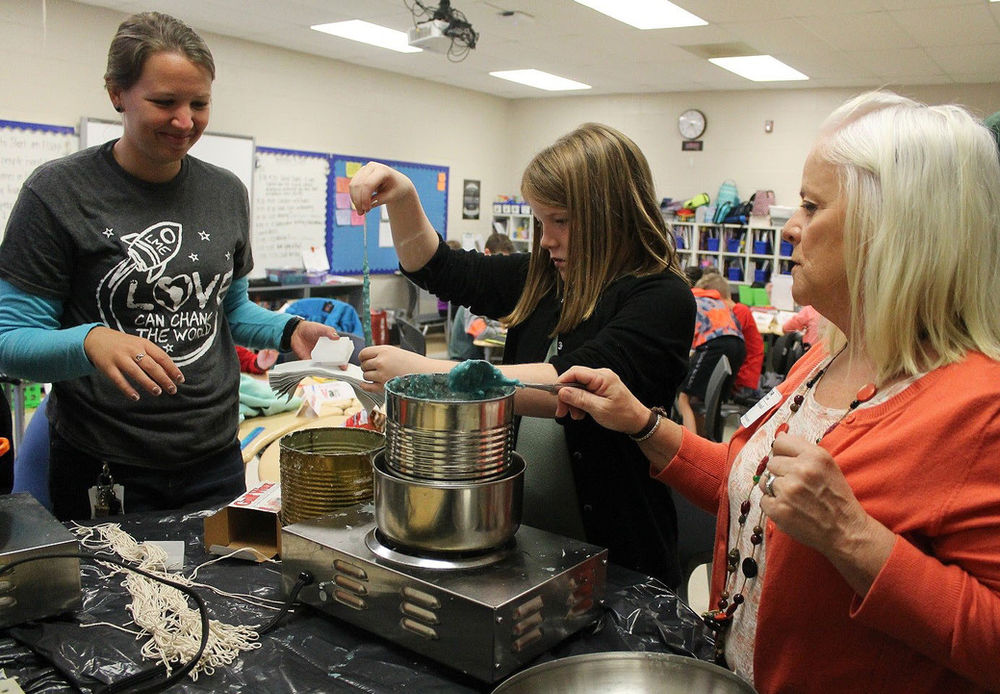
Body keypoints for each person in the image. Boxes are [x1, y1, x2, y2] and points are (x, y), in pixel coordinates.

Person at [552, 91, 1000, 693]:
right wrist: (640, 424)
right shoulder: (828, 355)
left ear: (894, 230)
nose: (790, 226)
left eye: (813, 207)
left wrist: (853, 537)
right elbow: (755, 488)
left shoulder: (980, 407)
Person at [0, 12, 338, 521]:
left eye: (199, 104)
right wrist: (91, 341)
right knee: (117, 600)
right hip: (105, 467)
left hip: (214, 459)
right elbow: (11, 338)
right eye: (164, 103)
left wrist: (288, 329)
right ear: (117, 93)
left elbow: (229, 310)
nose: (186, 122)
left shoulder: (225, 192)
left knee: (220, 594)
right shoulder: (58, 193)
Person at [350, 123, 696, 587]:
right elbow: (438, 267)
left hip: (620, 561)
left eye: (562, 220)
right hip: (527, 547)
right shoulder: (547, 278)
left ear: (610, 214)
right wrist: (404, 195)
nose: (547, 239)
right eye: (540, 222)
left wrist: (427, 373)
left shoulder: (662, 298)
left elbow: (571, 384)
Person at [675, 277, 745, 434]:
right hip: (738, 345)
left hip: (714, 344)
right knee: (711, 400)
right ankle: (703, 439)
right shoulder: (718, 302)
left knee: (684, 397)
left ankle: (689, 449)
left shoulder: (692, 300)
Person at [697, 271, 764, 403]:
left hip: (742, 382)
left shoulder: (739, 312)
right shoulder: (736, 312)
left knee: (695, 392)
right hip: (738, 376)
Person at [448, 232, 515, 360]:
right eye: (501, 263)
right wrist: (506, 336)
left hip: (478, 360)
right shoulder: (477, 287)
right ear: (487, 254)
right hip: (463, 363)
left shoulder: (493, 285)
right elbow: (480, 332)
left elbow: (490, 323)